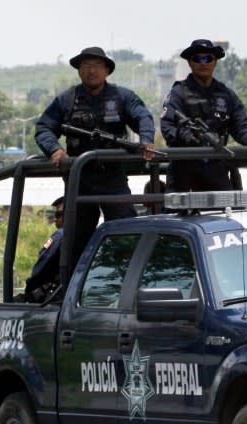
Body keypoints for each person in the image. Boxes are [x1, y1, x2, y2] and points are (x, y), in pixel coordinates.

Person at [34, 46, 156, 262]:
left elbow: (142, 117)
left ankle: (125, 284)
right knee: (76, 241)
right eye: (86, 66)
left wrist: (146, 140)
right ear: (79, 71)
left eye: (97, 66)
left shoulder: (122, 97)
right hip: (80, 180)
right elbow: (44, 127)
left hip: (113, 178)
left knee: (126, 234)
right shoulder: (67, 100)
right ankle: (73, 289)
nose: (91, 71)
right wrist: (55, 149)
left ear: (107, 70)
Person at [160, 39, 247, 192]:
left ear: (215, 62)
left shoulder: (226, 95)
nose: (203, 63)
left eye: (208, 58)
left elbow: (241, 125)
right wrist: (184, 136)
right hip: (184, 169)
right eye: (197, 59)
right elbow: (167, 126)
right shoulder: (178, 93)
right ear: (190, 63)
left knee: (226, 213)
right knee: (177, 214)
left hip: (217, 168)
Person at [16, 197, 64, 302]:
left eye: (58, 215)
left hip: (52, 297)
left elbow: (42, 266)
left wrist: (30, 289)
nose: (55, 219)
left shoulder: (61, 235)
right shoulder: (85, 236)